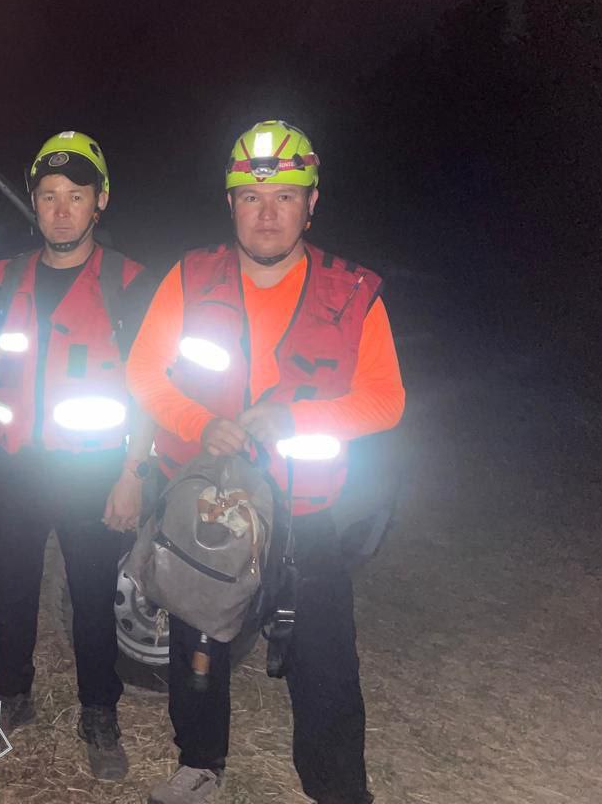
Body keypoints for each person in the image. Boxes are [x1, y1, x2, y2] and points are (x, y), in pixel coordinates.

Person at [127, 121, 405, 804]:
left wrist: (296, 420)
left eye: (285, 196)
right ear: (231, 204)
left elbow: (386, 400)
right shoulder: (190, 277)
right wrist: (200, 423)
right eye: (252, 198)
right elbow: (144, 373)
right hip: (210, 504)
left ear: (312, 203)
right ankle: (200, 762)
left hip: (305, 513)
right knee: (197, 645)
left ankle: (338, 789)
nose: (268, 213)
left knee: (326, 664)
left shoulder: (353, 292)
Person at [0, 131, 155, 782]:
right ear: (33, 203)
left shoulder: (128, 282)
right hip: (18, 467)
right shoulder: (8, 277)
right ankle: (13, 695)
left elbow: (149, 389)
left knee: (92, 596)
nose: (61, 210)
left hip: (92, 471)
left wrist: (132, 473)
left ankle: (99, 711)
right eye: (48, 196)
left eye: (76, 195)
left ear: (101, 200)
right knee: (11, 587)